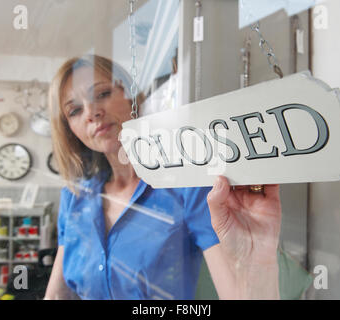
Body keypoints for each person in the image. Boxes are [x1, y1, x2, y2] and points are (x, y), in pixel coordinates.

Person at [44, 54, 282, 300]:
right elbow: (56, 296)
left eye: (102, 94)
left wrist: (257, 263)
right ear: (68, 129)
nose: (91, 112)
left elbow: (239, 293)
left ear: (132, 97)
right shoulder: (75, 198)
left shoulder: (186, 187)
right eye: (74, 110)